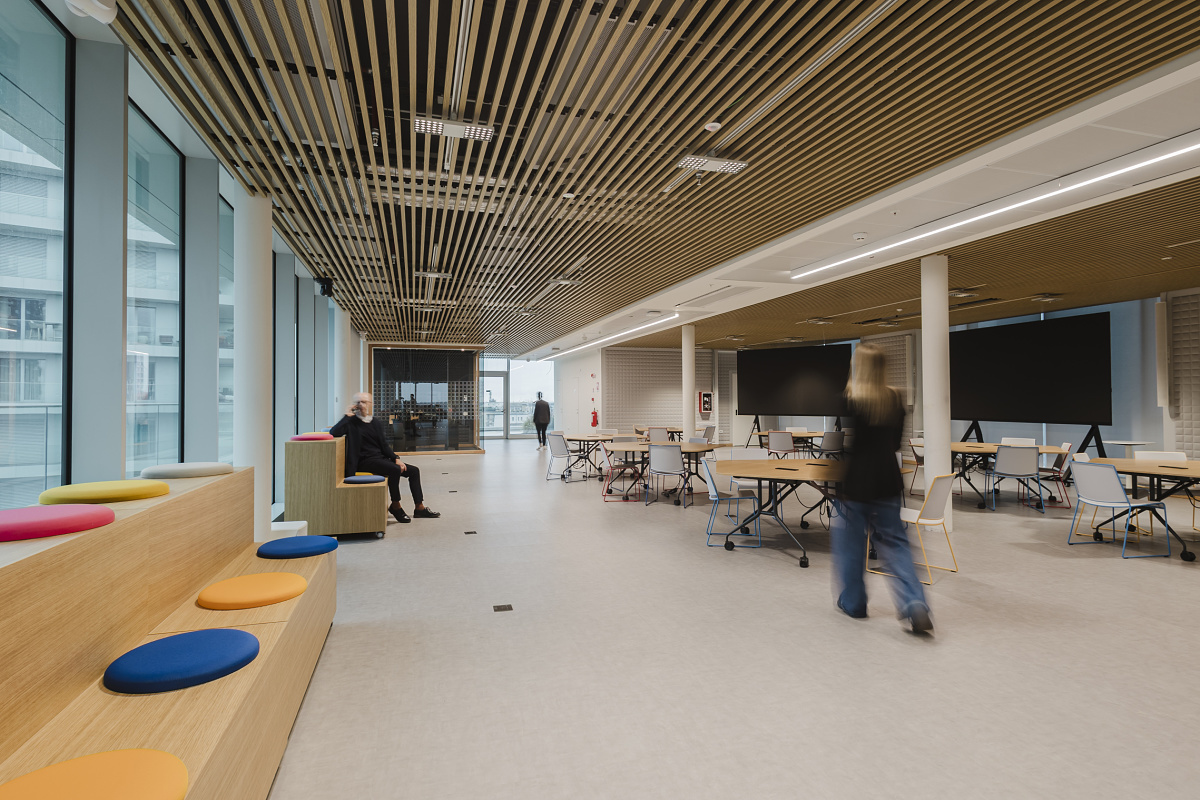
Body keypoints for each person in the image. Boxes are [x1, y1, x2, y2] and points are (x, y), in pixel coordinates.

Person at [831, 344, 932, 633]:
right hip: (887, 480)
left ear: (857, 367)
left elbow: (850, 444)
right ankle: (915, 603)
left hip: (858, 483)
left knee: (851, 546)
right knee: (896, 544)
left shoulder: (850, 399)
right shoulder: (895, 398)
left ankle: (854, 603)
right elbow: (896, 444)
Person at [330, 392, 440, 524]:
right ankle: (396, 506)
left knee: (414, 471)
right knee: (394, 470)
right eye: (358, 402)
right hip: (364, 461)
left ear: (371, 404)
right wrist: (347, 415)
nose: (361, 405)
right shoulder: (351, 422)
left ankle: (419, 508)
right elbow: (334, 433)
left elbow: (383, 445)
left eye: (364, 402)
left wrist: (396, 458)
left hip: (380, 459)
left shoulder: (374, 422)